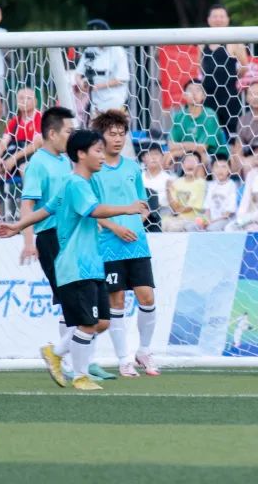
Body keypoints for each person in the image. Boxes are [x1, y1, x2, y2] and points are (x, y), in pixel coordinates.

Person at [0, 130, 148, 391]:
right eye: (97, 151)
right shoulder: (76, 184)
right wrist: (128, 208)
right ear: (81, 154)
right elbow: (95, 210)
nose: (102, 156)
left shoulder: (76, 183)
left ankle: (55, 352)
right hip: (76, 266)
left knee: (101, 322)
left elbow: (46, 210)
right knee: (88, 324)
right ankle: (80, 375)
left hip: (92, 264)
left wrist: (17, 225)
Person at [16, 106, 88, 375]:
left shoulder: (63, 160)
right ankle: (63, 358)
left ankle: (64, 356)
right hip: (51, 237)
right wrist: (28, 241)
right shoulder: (38, 163)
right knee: (70, 299)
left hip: (70, 236)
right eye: (68, 131)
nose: (72, 136)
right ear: (52, 133)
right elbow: (27, 203)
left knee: (72, 299)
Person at [91, 110, 160, 377]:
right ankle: (123, 359)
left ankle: (144, 350)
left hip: (137, 244)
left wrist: (136, 222)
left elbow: (142, 204)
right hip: (109, 244)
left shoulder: (132, 167)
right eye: (112, 134)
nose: (118, 139)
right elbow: (91, 210)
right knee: (116, 300)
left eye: (122, 134)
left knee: (147, 297)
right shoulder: (94, 171)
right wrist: (116, 227)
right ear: (101, 136)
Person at [200, 5, 250, 135]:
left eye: (221, 16)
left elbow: (244, 66)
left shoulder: (235, 41)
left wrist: (232, 76)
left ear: (227, 19)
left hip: (229, 96)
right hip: (208, 96)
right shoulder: (202, 42)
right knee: (209, 133)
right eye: (215, 16)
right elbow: (199, 66)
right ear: (208, 20)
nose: (218, 19)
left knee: (232, 133)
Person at [169, 78, 228, 167]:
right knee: (166, 158)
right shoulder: (179, 116)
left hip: (213, 156)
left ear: (204, 96)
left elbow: (202, 147)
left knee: (197, 159)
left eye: (197, 90)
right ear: (184, 95)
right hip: (186, 155)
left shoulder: (210, 115)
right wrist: (176, 152)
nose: (194, 93)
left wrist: (178, 150)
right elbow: (171, 145)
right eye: (190, 90)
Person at [77, 19, 130, 116]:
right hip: (95, 103)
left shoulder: (118, 50)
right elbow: (78, 74)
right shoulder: (90, 50)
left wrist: (97, 86)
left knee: (114, 125)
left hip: (115, 102)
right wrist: (81, 84)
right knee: (95, 125)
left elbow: (121, 79)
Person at [0, 87, 42, 175]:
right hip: (14, 157)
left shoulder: (40, 118)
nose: (24, 101)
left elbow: (36, 144)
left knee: (24, 168)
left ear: (35, 101)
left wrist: (13, 158)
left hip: (33, 158)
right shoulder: (14, 121)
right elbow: (3, 143)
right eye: (21, 98)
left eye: (28, 98)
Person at [164, 152, 208, 232]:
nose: (190, 163)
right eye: (188, 161)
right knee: (163, 223)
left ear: (199, 166)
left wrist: (177, 208)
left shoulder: (201, 184)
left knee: (173, 227)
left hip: (195, 220)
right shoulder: (177, 182)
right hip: (179, 219)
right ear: (182, 165)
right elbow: (173, 207)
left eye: (194, 161)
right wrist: (168, 190)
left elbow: (189, 208)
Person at [199, 154, 239, 231]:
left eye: (224, 167)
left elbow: (228, 213)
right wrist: (207, 220)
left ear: (229, 170)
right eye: (217, 167)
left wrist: (211, 222)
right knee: (195, 226)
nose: (220, 170)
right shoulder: (211, 185)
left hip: (225, 220)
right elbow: (207, 209)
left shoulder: (232, 185)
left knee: (211, 229)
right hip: (211, 220)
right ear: (212, 169)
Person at [141, 147, 173, 224]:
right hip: (140, 213)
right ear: (143, 158)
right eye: (150, 154)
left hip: (162, 216)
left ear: (162, 157)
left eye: (156, 154)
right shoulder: (138, 178)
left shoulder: (169, 179)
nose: (153, 157)